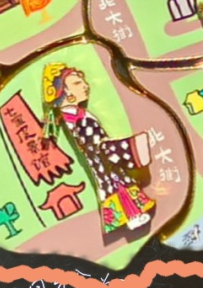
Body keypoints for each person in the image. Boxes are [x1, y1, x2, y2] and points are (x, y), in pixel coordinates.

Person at [42, 64, 154, 234]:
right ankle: (131, 216)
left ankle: (132, 215)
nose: (86, 85)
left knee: (119, 185)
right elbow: (94, 143)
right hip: (101, 160)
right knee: (115, 186)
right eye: (78, 83)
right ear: (66, 93)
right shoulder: (77, 119)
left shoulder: (76, 116)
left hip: (101, 159)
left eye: (83, 81)